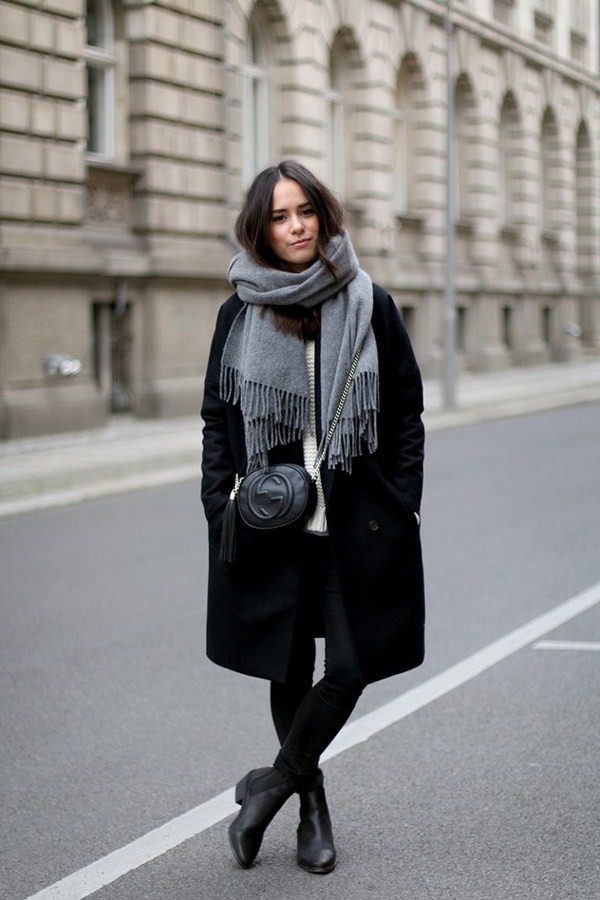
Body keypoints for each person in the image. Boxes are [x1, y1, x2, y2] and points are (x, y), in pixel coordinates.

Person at [201, 159, 425, 874]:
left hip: (354, 525)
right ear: (260, 229)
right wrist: (218, 505)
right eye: (279, 216)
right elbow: (215, 419)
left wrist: (403, 501)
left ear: (324, 217)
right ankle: (311, 807)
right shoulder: (240, 312)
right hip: (273, 526)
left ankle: (268, 788)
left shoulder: (367, 302)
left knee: (350, 669)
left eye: (306, 212)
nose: (296, 227)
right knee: (289, 666)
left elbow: (406, 413)